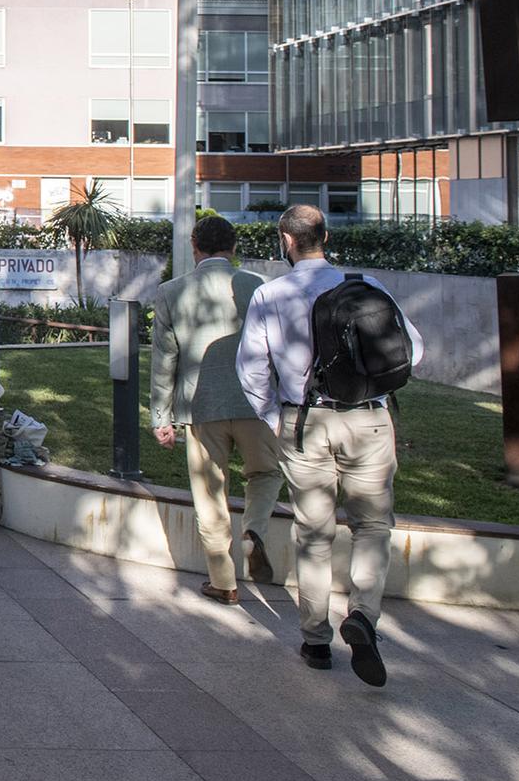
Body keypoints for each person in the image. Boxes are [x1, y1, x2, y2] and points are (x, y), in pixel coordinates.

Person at [237, 205, 422, 686]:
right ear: (325, 236)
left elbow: (253, 369)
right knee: (373, 525)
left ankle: (316, 640)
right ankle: (363, 616)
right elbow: (412, 349)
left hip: (305, 423)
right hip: (370, 420)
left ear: (286, 239)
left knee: (313, 532)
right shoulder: (369, 287)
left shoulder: (270, 293)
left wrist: (275, 417)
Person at [150, 215, 280, 606]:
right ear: (234, 247)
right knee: (267, 473)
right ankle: (254, 528)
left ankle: (223, 580)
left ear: (195, 247)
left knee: (209, 492)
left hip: (200, 404)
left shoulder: (171, 291)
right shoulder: (258, 286)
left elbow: (164, 360)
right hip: (256, 401)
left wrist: (161, 416)